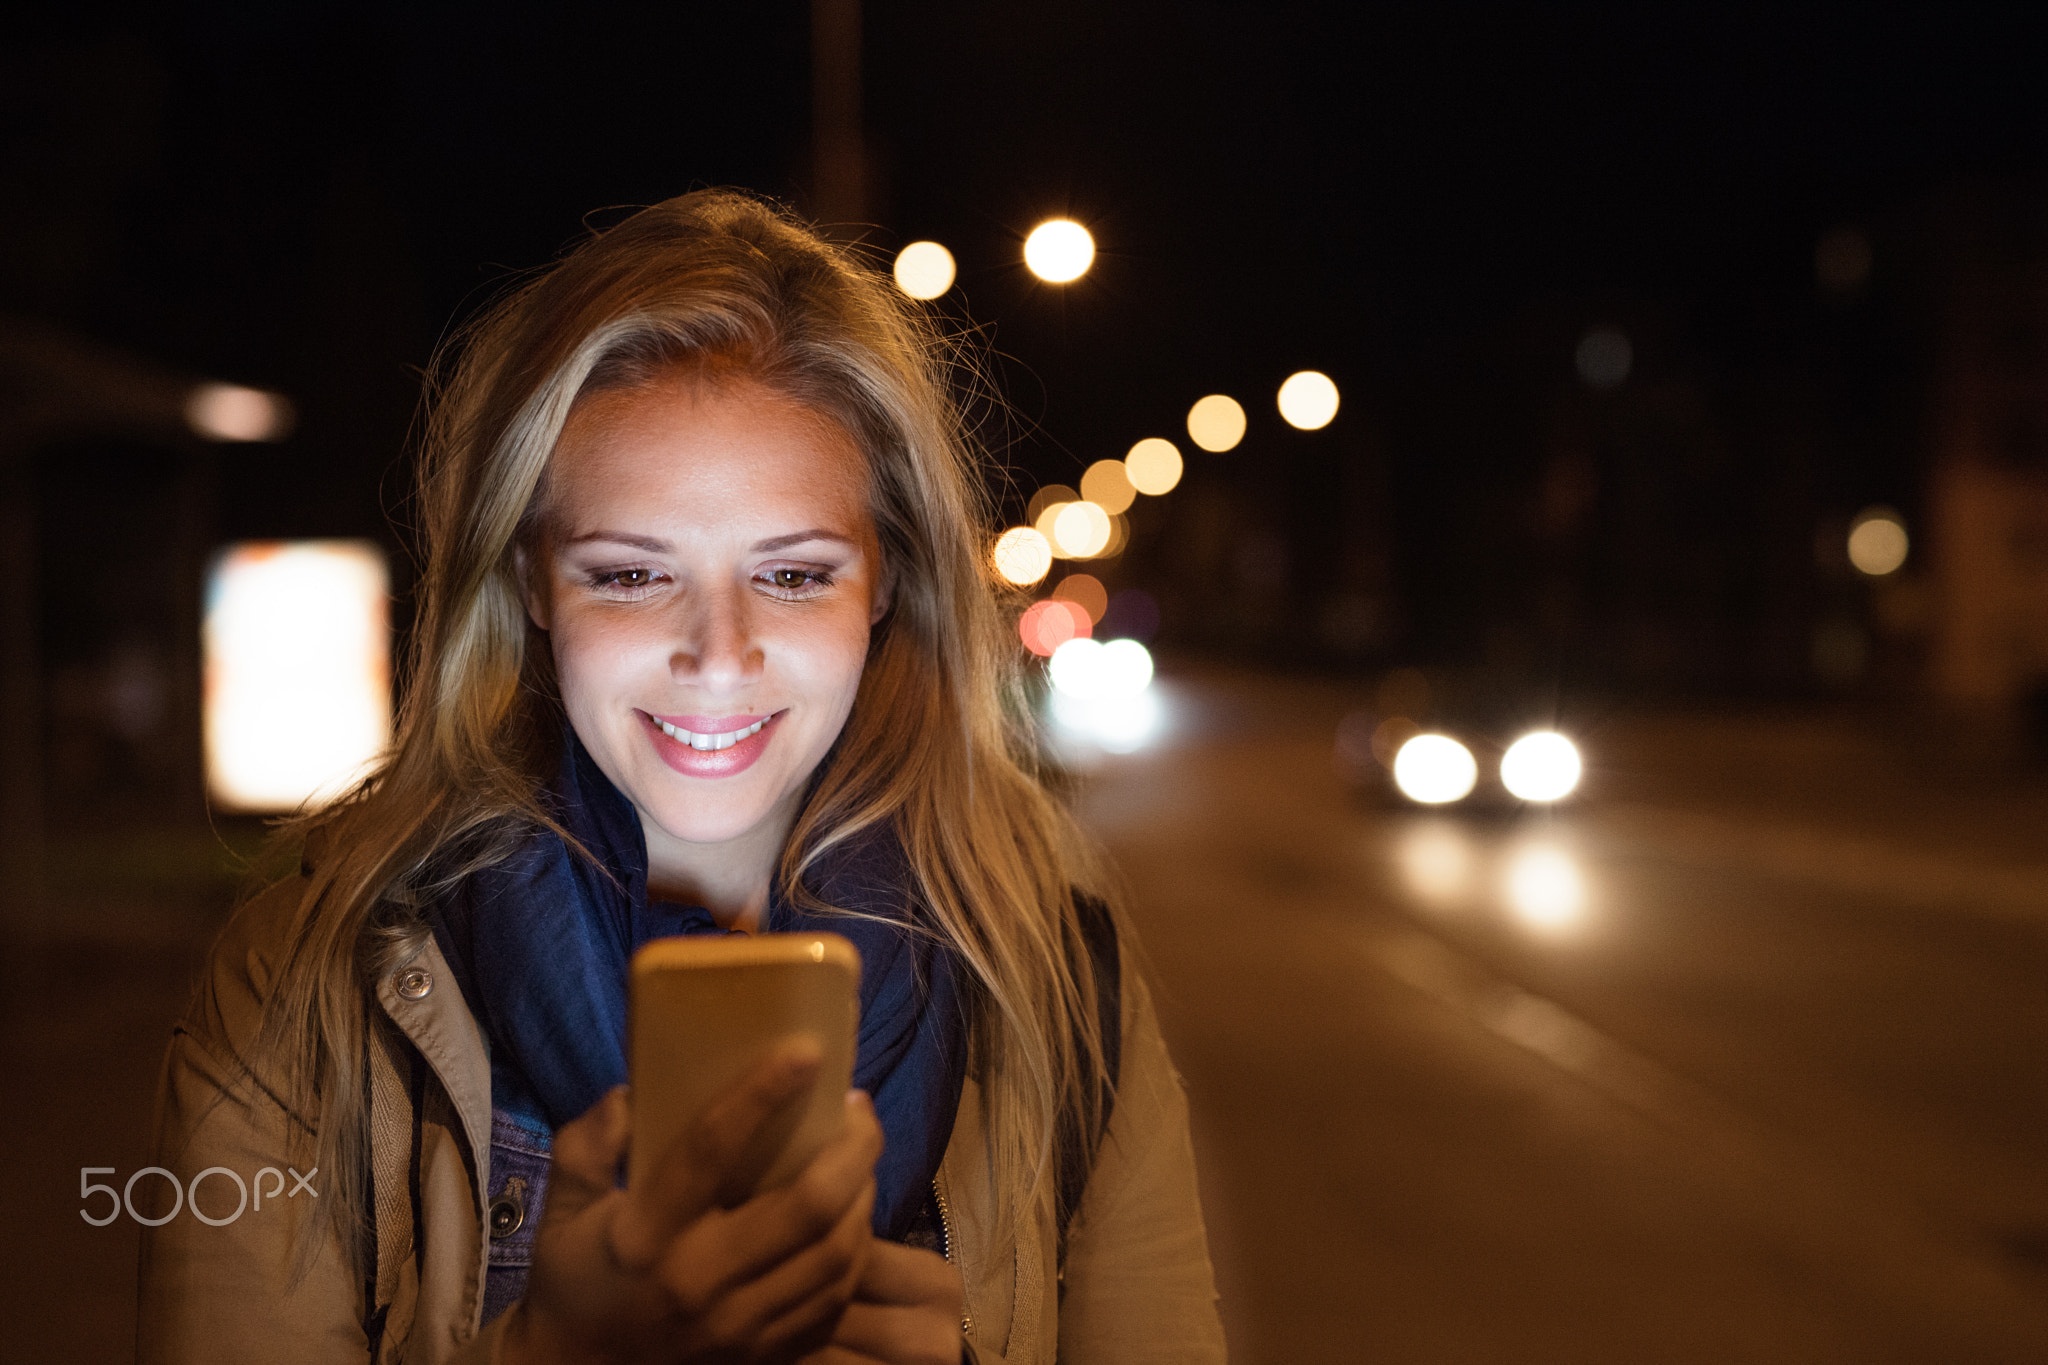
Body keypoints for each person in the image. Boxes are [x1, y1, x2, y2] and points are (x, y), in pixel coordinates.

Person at [137, 190, 1225, 1364]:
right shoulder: (300, 983)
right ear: (529, 584)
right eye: (630, 576)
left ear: (888, 586)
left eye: (796, 576)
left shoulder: (1053, 962)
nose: (718, 653)